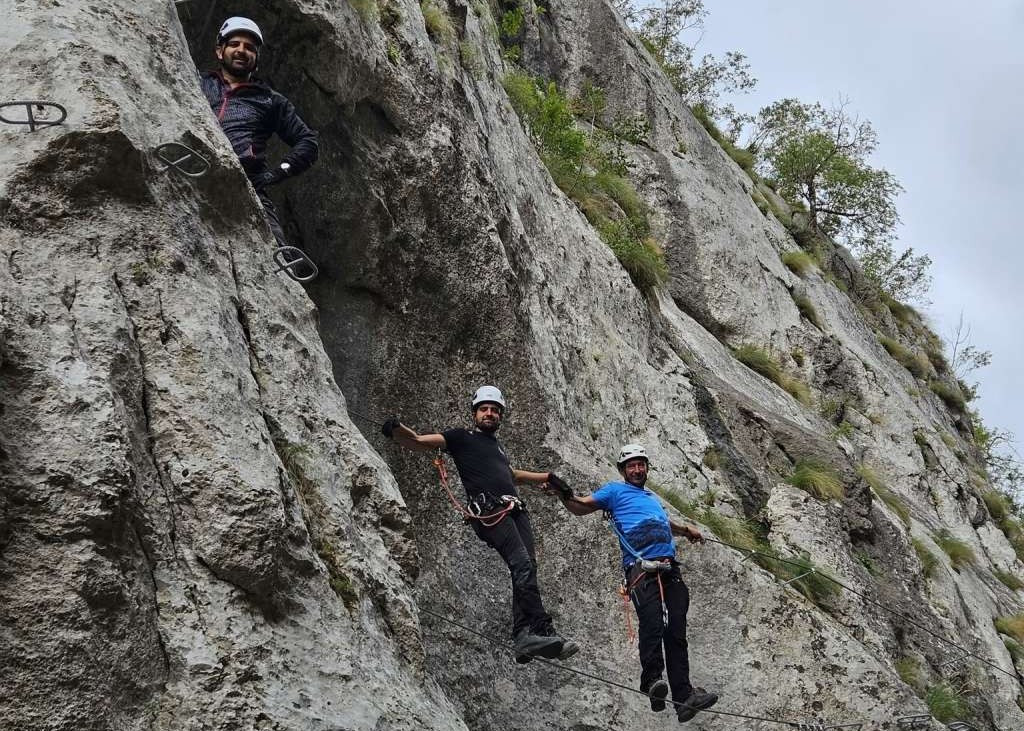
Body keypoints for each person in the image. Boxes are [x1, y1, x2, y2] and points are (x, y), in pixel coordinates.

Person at [380, 386, 578, 663]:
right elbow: (421, 442)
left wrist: (546, 476)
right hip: (491, 511)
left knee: (527, 566)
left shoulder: (497, 448)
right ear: (475, 413)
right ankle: (541, 629)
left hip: (514, 510)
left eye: (495, 410)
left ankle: (523, 637)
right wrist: (397, 430)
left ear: (500, 416)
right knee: (521, 564)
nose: (489, 413)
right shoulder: (461, 437)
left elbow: (512, 475)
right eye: (484, 409)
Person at [549, 443, 718, 723]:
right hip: (641, 569)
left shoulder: (652, 498)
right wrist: (563, 494)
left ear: (646, 468)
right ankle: (652, 681)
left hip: (669, 569)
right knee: (652, 623)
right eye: (632, 466)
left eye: (641, 465)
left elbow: (665, 523)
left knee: (676, 631)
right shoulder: (615, 491)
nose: (637, 469)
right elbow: (582, 506)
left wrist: (687, 530)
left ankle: (684, 697)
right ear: (623, 470)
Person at [200, 17, 319, 245]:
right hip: (195, 161)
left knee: (277, 252)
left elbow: (308, 141)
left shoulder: (270, 100)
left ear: (256, 58)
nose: (241, 51)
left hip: (246, 184)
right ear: (219, 50)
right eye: (234, 44)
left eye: (250, 48)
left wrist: (276, 173)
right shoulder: (197, 81)